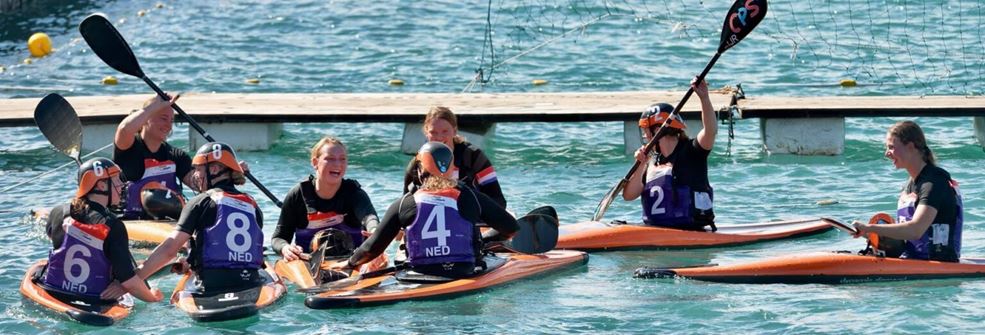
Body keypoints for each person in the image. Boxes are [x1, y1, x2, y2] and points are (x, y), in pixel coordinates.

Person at [332, 142, 518, 278]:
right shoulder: (470, 196)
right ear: (451, 168)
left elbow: (373, 248)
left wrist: (350, 263)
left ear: (419, 170)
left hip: (419, 274)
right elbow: (510, 228)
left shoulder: (405, 202)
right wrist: (486, 240)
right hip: (465, 272)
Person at [136, 142, 265, 293]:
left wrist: (133, 279)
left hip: (211, 285)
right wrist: (190, 261)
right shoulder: (253, 205)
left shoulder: (200, 202)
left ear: (214, 169)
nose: (195, 175)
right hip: (251, 283)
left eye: (197, 169)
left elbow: (169, 249)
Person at [41, 158, 162, 303]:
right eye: (117, 180)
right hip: (94, 297)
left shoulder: (58, 211)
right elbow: (128, 282)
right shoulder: (113, 225)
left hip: (54, 290)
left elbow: (56, 240)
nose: (122, 184)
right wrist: (153, 298)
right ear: (102, 185)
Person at [852, 121, 963, 262]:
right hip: (913, 260)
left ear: (910, 147)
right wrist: (868, 233)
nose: (887, 154)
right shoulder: (911, 184)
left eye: (891, 147)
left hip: (939, 263)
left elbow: (915, 230)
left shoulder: (933, 183)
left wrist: (870, 227)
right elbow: (905, 235)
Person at [622, 78, 717, 231]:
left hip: (691, 228)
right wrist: (640, 165)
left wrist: (704, 98)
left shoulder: (692, 151)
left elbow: (710, 131)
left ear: (658, 129)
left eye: (646, 129)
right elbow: (628, 196)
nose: (645, 135)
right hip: (657, 229)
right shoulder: (652, 160)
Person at [272, 136, 380, 262]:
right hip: (308, 262)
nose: (338, 164)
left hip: (351, 262)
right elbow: (278, 238)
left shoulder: (354, 193)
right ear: (315, 162)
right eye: (330, 159)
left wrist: (374, 230)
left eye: (342, 159)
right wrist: (285, 248)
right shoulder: (297, 195)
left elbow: (369, 217)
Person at [403, 106, 507, 209]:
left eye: (445, 131)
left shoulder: (473, 157)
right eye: (433, 132)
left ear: (455, 130)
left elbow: (499, 201)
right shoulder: (417, 163)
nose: (439, 137)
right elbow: (405, 205)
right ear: (426, 132)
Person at [113, 94, 190, 220]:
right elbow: (124, 129)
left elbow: (197, 182)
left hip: (165, 222)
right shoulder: (129, 148)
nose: (168, 125)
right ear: (146, 119)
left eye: (171, 121)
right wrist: (152, 107)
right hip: (129, 220)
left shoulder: (176, 156)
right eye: (163, 118)